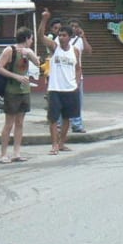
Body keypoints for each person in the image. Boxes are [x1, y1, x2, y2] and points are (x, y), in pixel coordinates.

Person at [38, 9, 81, 155]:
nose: (61, 37)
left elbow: (78, 68)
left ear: (70, 37)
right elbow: (40, 38)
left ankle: (62, 143)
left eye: (64, 35)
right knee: (53, 119)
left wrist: (77, 83)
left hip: (70, 89)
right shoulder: (54, 47)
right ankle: (54, 145)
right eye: (60, 35)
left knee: (67, 118)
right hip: (55, 88)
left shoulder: (75, 51)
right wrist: (44, 20)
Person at [0, 27, 40, 164]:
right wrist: (16, 76)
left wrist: (30, 53)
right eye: (31, 39)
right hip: (12, 91)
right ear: (26, 38)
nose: (32, 41)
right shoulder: (10, 50)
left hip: (24, 91)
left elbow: (39, 64)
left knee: (20, 123)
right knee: (9, 123)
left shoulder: (28, 52)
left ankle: (16, 153)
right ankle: (3, 154)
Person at [67, 19, 92, 133]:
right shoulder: (61, 39)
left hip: (77, 75)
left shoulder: (80, 41)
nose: (74, 28)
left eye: (76, 26)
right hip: (65, 76)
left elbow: (89, 51)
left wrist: (83, 37)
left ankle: (77, 124)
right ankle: (61, 124)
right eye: (71, 26)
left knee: (77, 101)